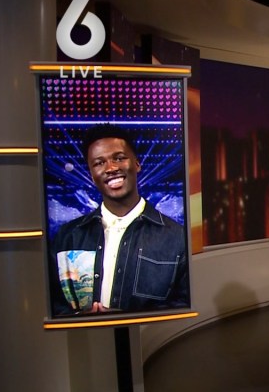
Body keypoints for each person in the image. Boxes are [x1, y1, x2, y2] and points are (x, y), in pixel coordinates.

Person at [50, 123, 189, 316]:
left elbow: (184, 304)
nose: (111, 168)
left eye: (119, 158)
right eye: (99, 163)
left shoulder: (177, 238)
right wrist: (80, 318)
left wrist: (126, 320)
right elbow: (52, 302)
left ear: (137, 164)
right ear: (92, 176)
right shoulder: (68, 237)